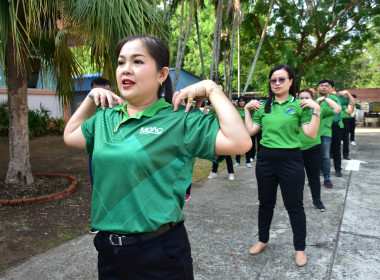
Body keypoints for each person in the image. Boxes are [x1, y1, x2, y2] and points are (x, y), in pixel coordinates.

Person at [63, 35, 251, 279]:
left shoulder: (179, 119)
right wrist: (91, 99)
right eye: (121, 63)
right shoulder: (105, 119)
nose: (126, 70)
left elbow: (241, 141)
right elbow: (70, 136)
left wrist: (210, 88)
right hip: (109, 252)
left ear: (162, 74)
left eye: (137, 62)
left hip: (159, 252)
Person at [244, 64, 320, 267]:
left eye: (281, 79)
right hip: (266, 159)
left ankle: (300, 249)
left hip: (291, 160)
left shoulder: (299, 105)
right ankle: (263, 240)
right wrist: (246, 109)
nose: (277, 83)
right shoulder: (264, 106)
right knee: (265, 203)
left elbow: (310, 134)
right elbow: (250, 131)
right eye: (273, 80)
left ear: (291, 81)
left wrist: (317, 111)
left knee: (294, 206)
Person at [298, 89, 341, 212]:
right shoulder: (294, 110)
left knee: (314, 177)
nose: (304, 100)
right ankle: (297, 202)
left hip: (313, 148)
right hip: (295, 149)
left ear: (312, 98)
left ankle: (317, 201)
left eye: (307, 97)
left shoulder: (318, 110)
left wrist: (324, 99)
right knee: (297, 178)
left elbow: (337, 109)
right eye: (301, 98)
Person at [88, 77, 113, 234]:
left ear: (109, 90)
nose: (96, 95)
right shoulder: (90, 108)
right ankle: (99, 221)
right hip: (94, 153)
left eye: (99, 91)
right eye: (93, 92)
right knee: (96, 186)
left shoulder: (117, 107)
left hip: (113, 154)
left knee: (112, 186)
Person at [316, 80, 342, 188]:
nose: (323, 88)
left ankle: (327, 178)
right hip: (314, 132)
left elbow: (337, 110)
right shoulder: (314, 100)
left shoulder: (334, 99)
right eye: (321, 86)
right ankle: (315, 177)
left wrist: (325, 98)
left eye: (326, 86)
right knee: (315, 157)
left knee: (326, 156)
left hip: (327, 131)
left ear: (331, 88)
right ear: (318, 87)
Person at [234, 96, 254, 167]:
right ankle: (237, 161)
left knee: (247, 146)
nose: (241, 102)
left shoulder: (248, 110)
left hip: (246, 130)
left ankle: (248, 161)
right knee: (238, 146)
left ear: (245, 102)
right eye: (240, 101)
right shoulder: (237, 110)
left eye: (243, 101)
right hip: (238, 131)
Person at [336, 89, 355, 160]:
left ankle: (346, 154)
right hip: (336, 120)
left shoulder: (345, 99)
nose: (341, 93)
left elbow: (352, 102)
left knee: (345, 138)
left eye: (342, 92)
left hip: (345, 120)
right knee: (336, 139)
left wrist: (348, 93)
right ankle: (332, 154)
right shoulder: (335, 97)